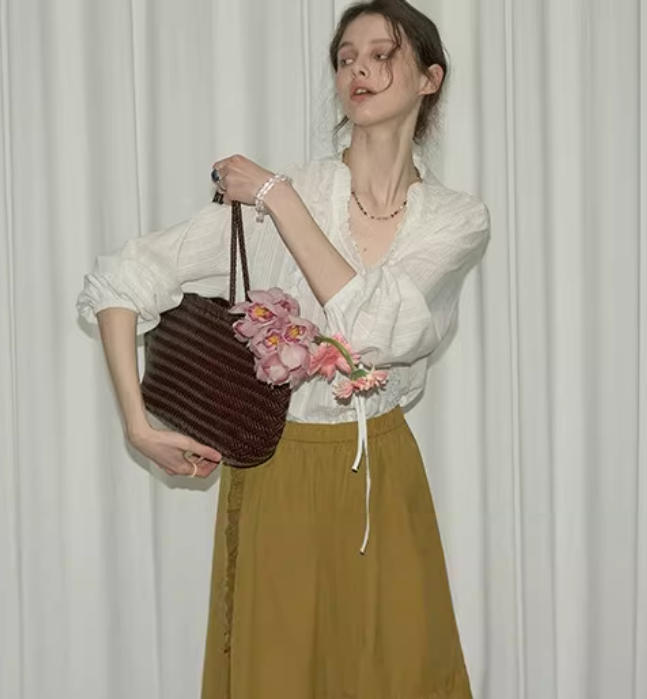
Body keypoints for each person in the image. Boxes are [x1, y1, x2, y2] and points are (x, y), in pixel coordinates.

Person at [76, 1, 489, 696]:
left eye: (382, 54)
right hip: (276, 464)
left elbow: (374, 332)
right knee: (278, 672)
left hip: (382, 471)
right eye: (345, 58)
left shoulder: (453, 218)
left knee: (397, 670)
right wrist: (136, 423)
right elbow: (124, 276)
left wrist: (277, 196)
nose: (358, 70)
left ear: (429, 78)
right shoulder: (288, 194)